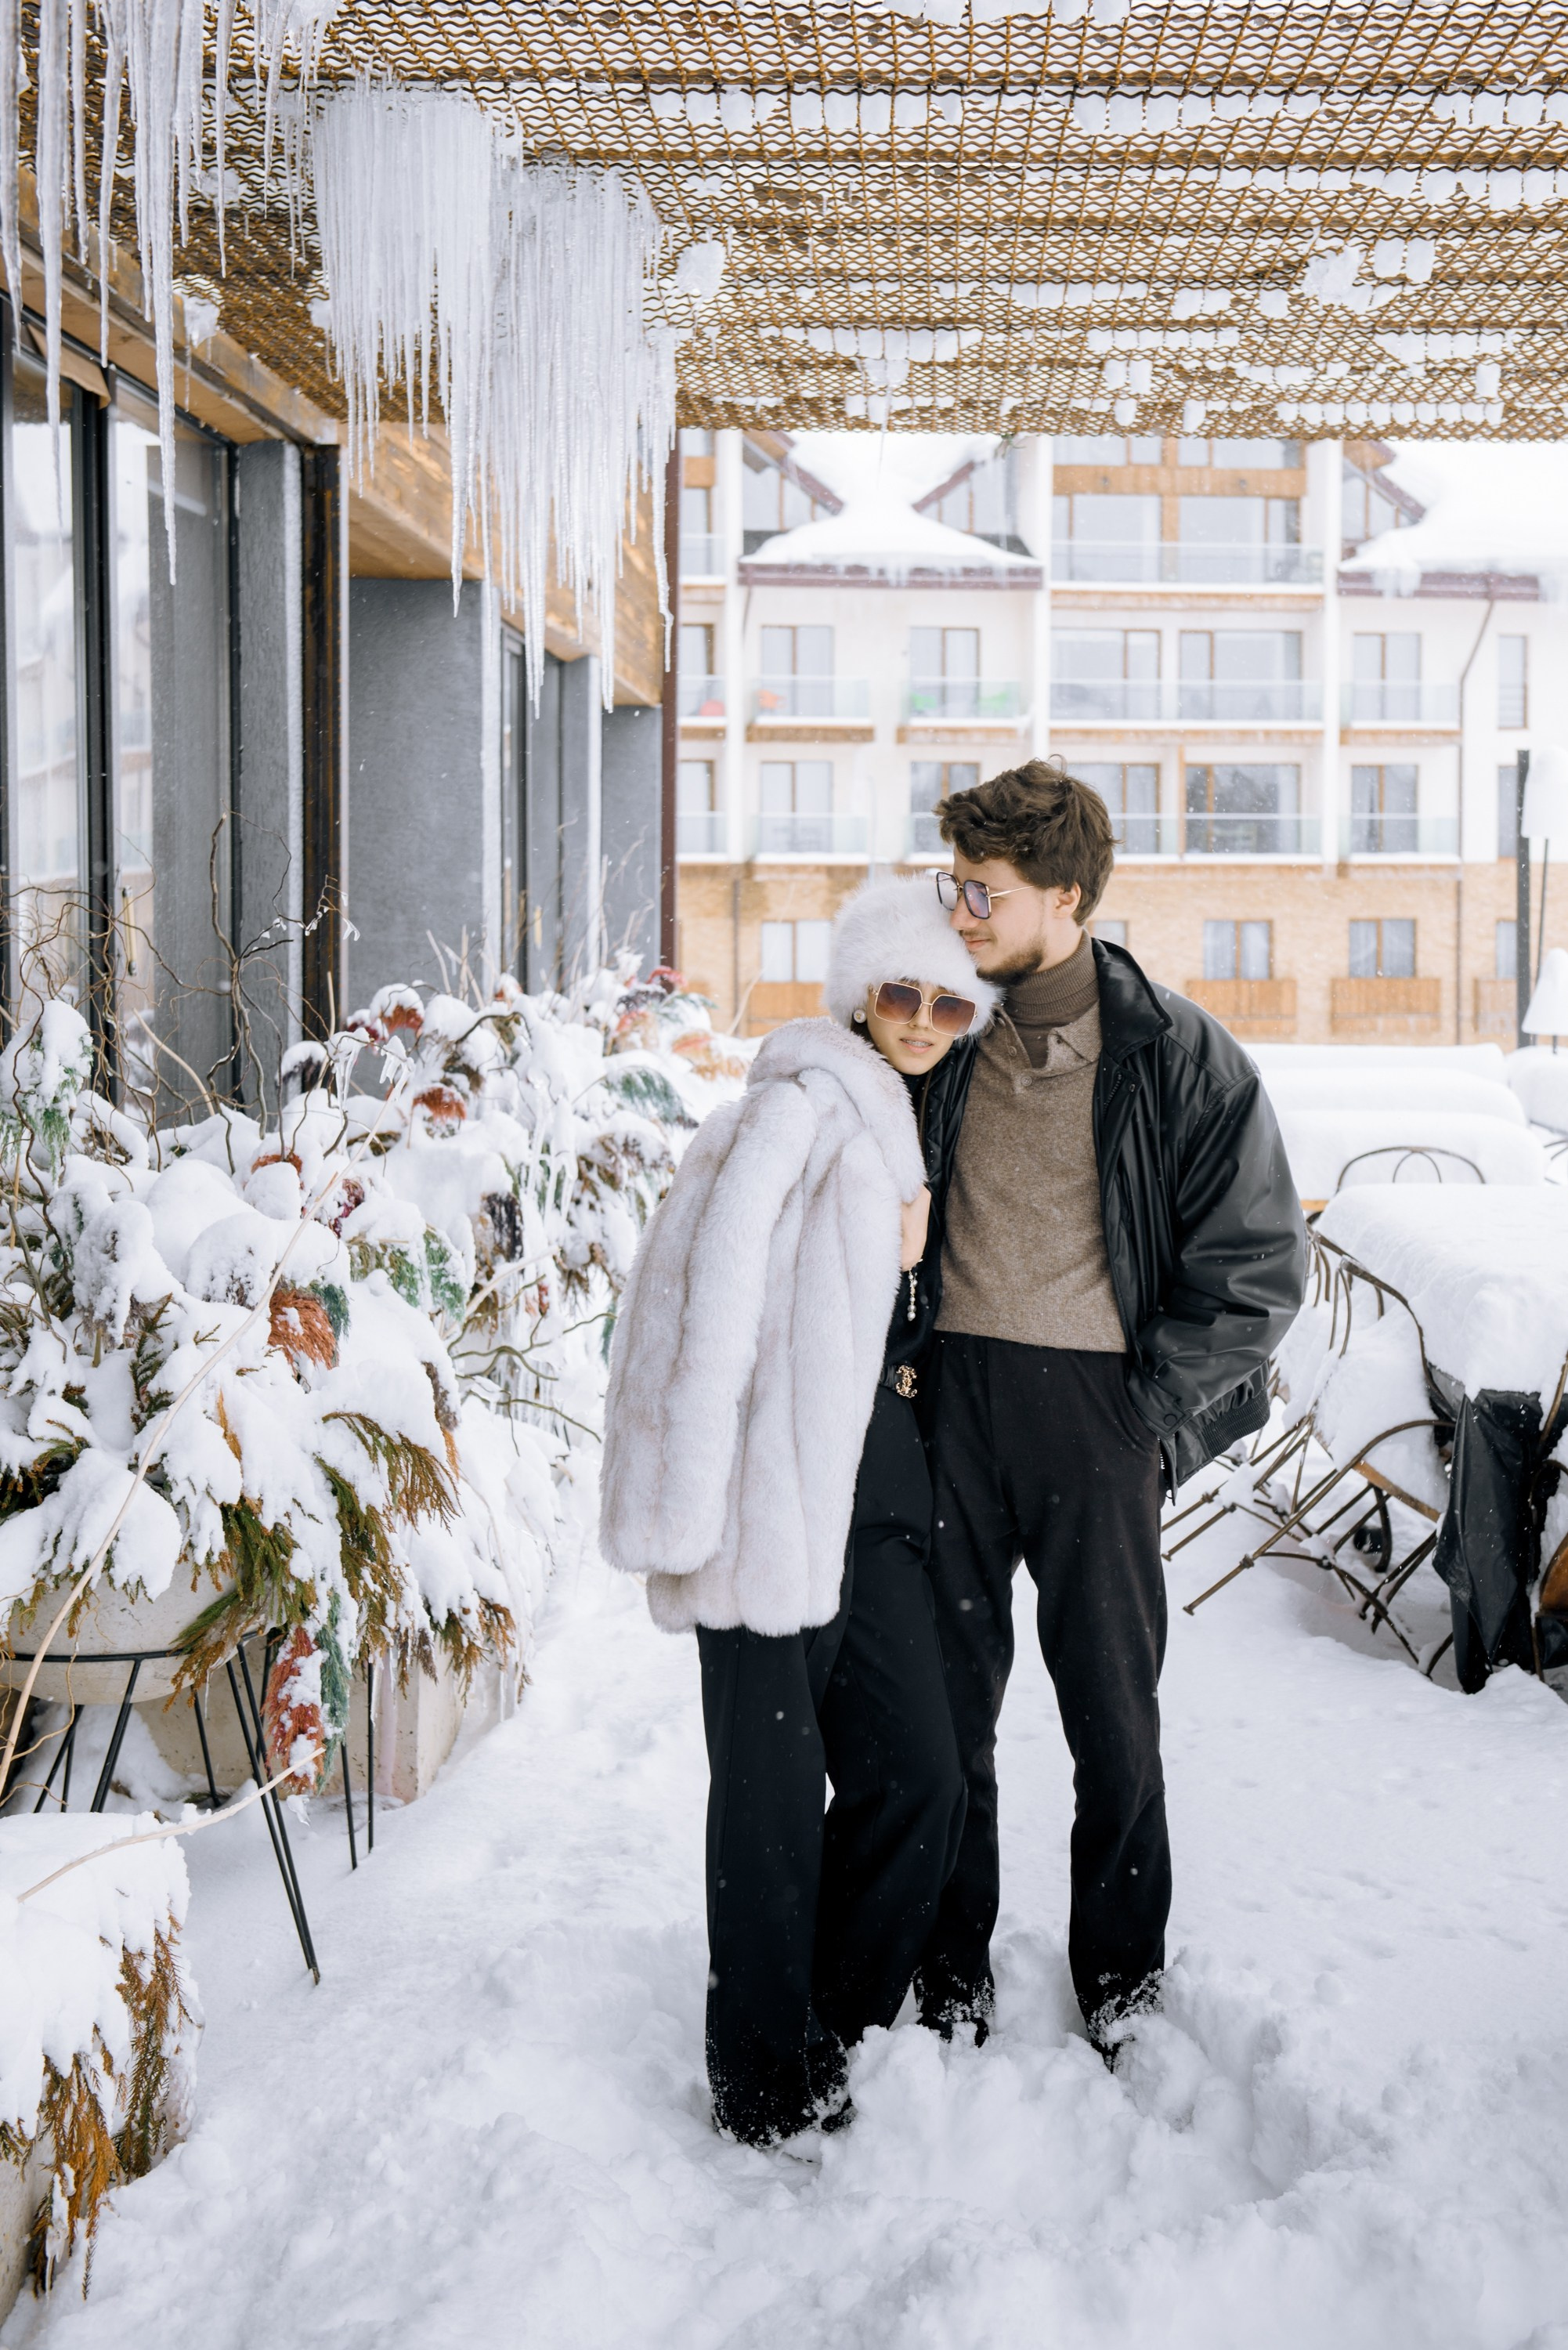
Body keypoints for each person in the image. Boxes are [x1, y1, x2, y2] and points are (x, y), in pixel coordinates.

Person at [910, 758, 1307, 2059]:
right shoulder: (935, 1034)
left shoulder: (1178, 1056)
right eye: (950, 885)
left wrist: (1149, 1416)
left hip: (1097, 1423)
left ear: (1065, 897)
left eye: (984, 892)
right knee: (940, 1720)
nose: (958, 913)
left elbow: (1255, 1269)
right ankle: (946, 1972)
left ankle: (1122, 1987)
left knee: (1114, 1727)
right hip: (950, 1410)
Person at [600, 879, 999, 2146]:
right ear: (858, 994)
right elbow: (703, 1305)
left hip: (872, 1505)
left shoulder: (912, 1118)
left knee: (921, 1780)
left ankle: (829, 2016)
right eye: (901, 991)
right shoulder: (800, 1102)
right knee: (767, 1810)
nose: (924, 1017)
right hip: (761, 1507)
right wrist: (683, 1512)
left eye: (948, 999)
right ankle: (764, 2078)